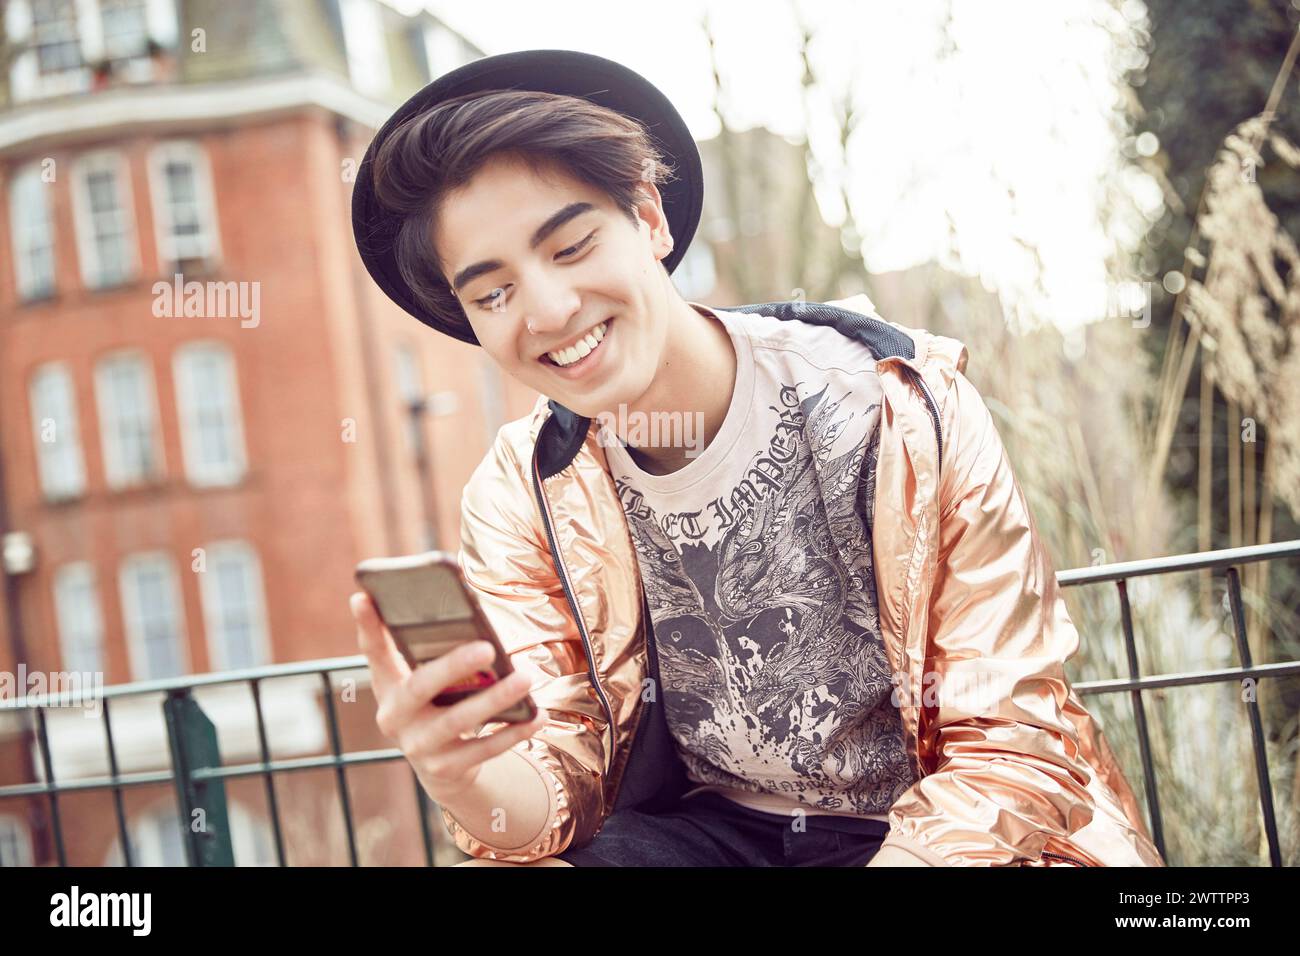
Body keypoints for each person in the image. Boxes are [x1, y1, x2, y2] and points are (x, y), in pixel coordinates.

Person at [348, 49, 1165, 868]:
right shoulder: (522, 489)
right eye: (494, 294)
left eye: (569, 248)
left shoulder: (897, 403)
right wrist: (463, 778)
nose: (550, 311)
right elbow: (557, 781)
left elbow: (1010, 749)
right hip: (720, 837)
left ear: (650, 217)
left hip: (945, 838)